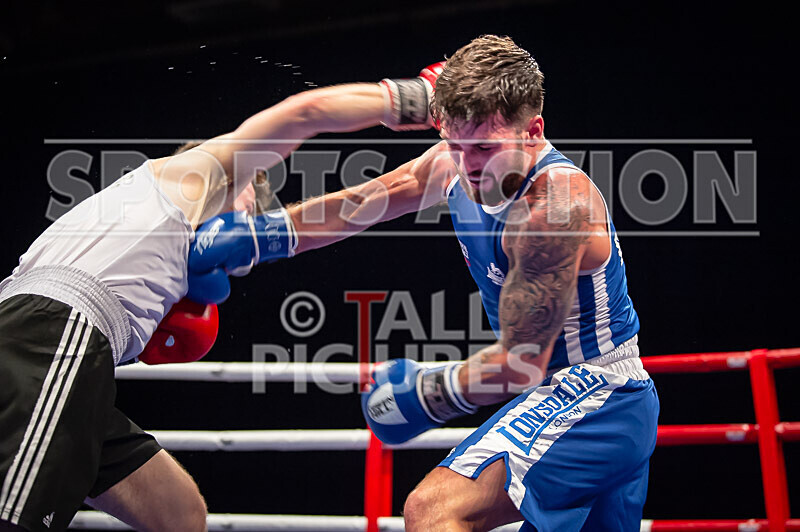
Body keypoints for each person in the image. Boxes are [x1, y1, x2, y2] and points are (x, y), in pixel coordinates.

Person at [193, 35, 658, 531]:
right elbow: (361, 205)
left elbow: (521, 363)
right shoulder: (453, 163)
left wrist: (429, 391)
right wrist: (264, 237)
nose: (469, 164)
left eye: (484, 147)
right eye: (456, 145)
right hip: (578, 403)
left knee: (435, 509)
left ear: (533, 131)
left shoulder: (555, 210)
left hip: (595, 393)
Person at [0, 63, 443, 531]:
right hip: (52, 340)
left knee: (179, 512)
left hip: (70, 353)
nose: (250, 219)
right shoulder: (198, 175)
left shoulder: (146, 230)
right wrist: (420, 98)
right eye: (252, 202)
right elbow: (305, 112)